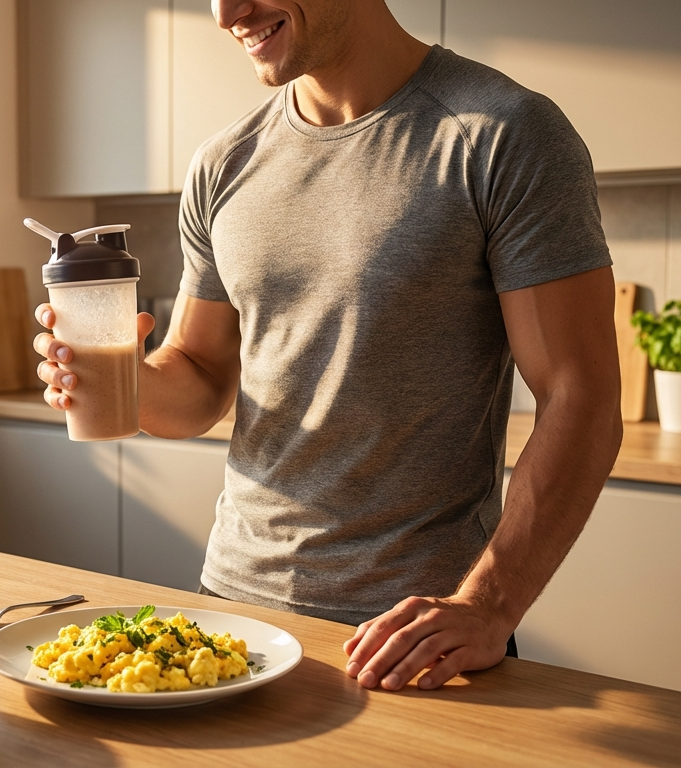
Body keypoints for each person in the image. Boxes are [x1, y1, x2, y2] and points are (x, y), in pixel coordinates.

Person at [32, 0, 622, 692]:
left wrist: (488, 604)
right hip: (230, 615)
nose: (227, 13)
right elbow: (199, 376)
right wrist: (122, 378)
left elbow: (579, 397)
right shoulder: (225, 162)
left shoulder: (502, 132)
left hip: (412, 638)